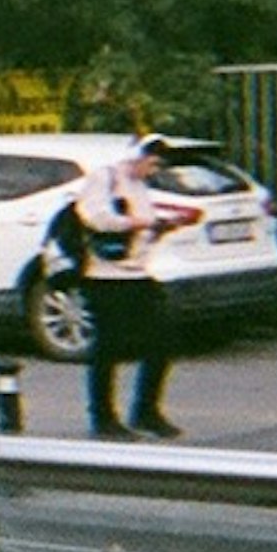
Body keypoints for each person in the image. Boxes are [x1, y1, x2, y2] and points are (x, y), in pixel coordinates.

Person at [67, 136, 184, 439]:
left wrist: (160, 227)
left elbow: (141, 226)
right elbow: (95, 216)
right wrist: (137, 223)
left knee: (162, 339)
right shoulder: (105, 178)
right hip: (104, 276)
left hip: (136, 273)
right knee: (108, 346)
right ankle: (102, 418)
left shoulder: (139, 187)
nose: (154, 169)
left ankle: (145, 411)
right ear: (136, 157)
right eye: (152, 162)